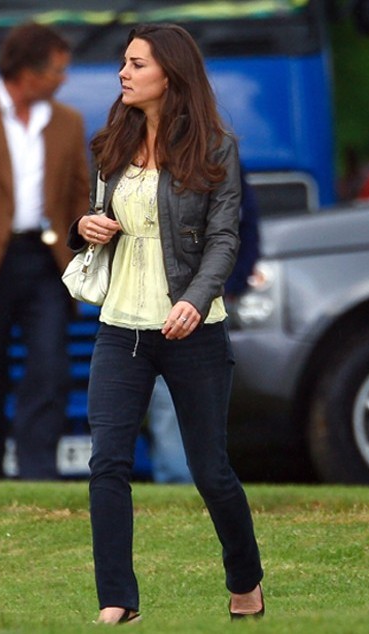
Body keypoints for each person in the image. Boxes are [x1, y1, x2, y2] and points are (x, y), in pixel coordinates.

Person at [68, 23, 264, 624]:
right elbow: (102, 218)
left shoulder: (216, 148)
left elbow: (225, 238)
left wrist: (196, 301)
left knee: (210, 471)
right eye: (124, 63)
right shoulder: (111, 142)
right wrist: (86, 227)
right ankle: (117, 600)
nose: (123, 73)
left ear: (170, 74)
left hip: (192, 328)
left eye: (136, 64)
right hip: (120, 325)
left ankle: (246, 580)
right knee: (108, 463)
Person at [0, 22, 90, 480]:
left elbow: (78, 193)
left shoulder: (67, 121)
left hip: (45, 262)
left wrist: (83, 250)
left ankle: (39, 475)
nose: (63, 80)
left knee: (50, 367)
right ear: (27, 72)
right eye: (57, 71)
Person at [147, 167, 260, 484]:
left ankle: (191, 479)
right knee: (174, 393)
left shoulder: (217, 163)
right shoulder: (210, 162)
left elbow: (244, 230)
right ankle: (182, 480)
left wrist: (231, 286)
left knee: (194, 395)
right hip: (171, 297)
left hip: (209, 300)